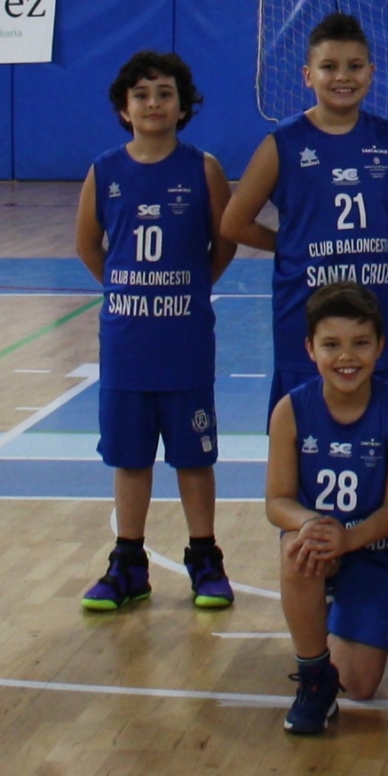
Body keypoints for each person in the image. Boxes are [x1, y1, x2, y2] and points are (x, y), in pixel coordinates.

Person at [72, 51, 239, 612]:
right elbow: (87, 245)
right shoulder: (104, 171)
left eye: (165, 93)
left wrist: (189, 286)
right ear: (124, 108)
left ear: (183, 106)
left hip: (185, 342)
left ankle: (204, 557)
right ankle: (128, 561)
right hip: (126, 344)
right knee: (130, 457)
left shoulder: (203, 169)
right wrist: (125, 288)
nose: (153, 103)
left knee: (194, 456)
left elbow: (225, 242)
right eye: (141, 95)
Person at [221, 12, 388, 414]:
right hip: (304, 307)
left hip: (374, 306)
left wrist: (371, 247)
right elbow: (234, 223)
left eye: (354, 66)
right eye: (329, 67)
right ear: (307, 76)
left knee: (376, 424)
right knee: (303, 425)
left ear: (371, 73)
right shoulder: (283, 142)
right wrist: (293, 247)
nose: (342, 77)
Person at [265, 282, 388, 734]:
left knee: (359, 684)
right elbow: (277, 501)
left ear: (380, 346)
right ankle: (315, 677)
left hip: (375, 546)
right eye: (331, 344)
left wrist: (348, 538)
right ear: (310, 349)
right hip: (322, 541)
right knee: (298, 547)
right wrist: (312, 523)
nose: (346, 357)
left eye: (360, 343)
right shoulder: (290, 410)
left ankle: (345, 603)